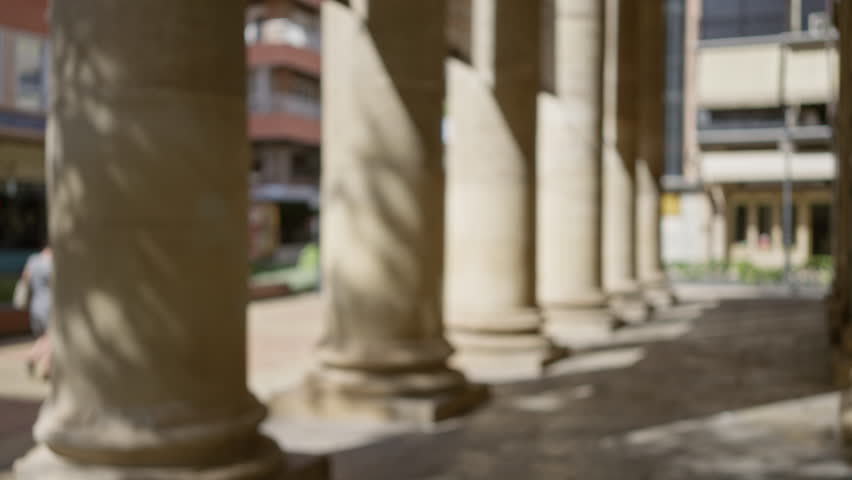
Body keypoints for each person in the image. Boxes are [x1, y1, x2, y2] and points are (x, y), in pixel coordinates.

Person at [18, 245, 53, 379]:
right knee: (53, 337)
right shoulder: (53, 263)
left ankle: (32, 356)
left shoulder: (33, 260)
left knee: (45, 336)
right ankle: (46, 368)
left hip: (36, 303)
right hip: (50, 304)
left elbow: (26, 277)